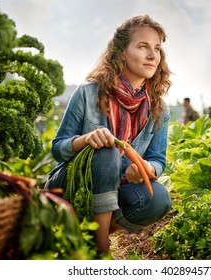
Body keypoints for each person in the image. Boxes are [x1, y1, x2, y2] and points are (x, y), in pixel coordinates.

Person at [45, 15, 172, 255]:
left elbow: (159, 159)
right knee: (107, 151)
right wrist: (85, 141)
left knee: (159, 199)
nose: (152, 55)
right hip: (72, 186)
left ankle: (90, 233)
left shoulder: (159, 109)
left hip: (117, 190)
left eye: (157, 48)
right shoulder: (88, 93)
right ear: (121, 52)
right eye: (143, 46)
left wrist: (147, 168)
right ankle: (100, 250)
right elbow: (57, 148)